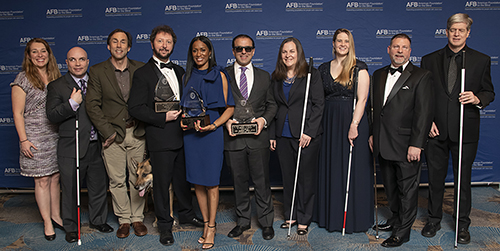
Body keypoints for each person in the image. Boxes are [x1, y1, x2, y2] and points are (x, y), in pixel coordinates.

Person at [420, 13, 495, 244]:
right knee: (435, 179)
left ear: (468, 33)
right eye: (453, 30)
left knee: (463, 179)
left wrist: (476, 97)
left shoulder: (481, 60)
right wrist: (428, 121)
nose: (456, 34)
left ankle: (462, 225)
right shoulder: (429, 60)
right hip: (436, 130)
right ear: (446, 31)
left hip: (465, 130)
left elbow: (489, 92)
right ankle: (433, 219)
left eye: (461, 30)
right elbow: (424, 96)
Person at [128, 25, 204, 246]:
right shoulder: (142, 73)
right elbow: (135, 108)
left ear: (173, 45)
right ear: (152, 44)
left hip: (184, 136)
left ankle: (187, 214)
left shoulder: (180, 71)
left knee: (182, 180)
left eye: (168, 42)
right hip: (160, 137)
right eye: (160, 41)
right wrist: (163, 118)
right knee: (161, 185)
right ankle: (164, 225)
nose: (164, 46)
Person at [369, 34, 434, 248]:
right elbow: (374, 110)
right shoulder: (378, 74)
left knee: (407, 190)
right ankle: (396, 219)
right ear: (388, 49)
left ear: (410, 51)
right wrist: (372, 134)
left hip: (407, 145)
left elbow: (424, 113)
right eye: (396, 47)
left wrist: (417, 143)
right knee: (390, 187)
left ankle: (403, 232)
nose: (399, 51)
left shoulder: (422, 76)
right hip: (382, 142)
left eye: (404, 47)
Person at [46, 47, 113, 243]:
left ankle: (98, 220)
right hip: (71, 146)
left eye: (81, 59)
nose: (78, 64)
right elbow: (51, 115)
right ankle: (71, 227)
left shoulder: (96, 82)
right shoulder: (56, 86)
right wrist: (71, 104)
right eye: (73, 60)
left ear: (88, 61)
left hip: (96, 144)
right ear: (66, 62)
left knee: (98, 186)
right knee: (70, 189)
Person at [86, 29, 147, 238]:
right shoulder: (97, 71)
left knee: (137, 178)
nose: (119, 45)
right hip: (112, 136)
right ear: (108, 46)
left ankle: (137, 218)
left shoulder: (140, 68)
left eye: (123, 42)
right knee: (117, 180)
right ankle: (124, 220)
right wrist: (107, 132)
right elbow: (92, 105)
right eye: (114, 42)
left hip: (137, 132)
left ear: (129, 47)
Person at [313, 29, 373, 233]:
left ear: (351, 44)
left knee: (352, 168)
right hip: (328, 122)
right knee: (331, 165)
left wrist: (354, 124)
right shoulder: (322, 68)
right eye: (339, 40)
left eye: (346, 41)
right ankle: (330, 214)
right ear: (333, 43)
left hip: (351, 121)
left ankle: (354, 217)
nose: (342, 44)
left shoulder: (359, 68)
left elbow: (362, 98)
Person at [180, 35, 234, 250]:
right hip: (192, 135)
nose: (199, 54)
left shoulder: (220, 74)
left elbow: (230, 107)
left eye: (203, 50)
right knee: (197, 182)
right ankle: (205, 223)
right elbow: (185, 108)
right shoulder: (187, 75)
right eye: (195, 50)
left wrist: (215, 125)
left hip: (211, 133)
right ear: (191, 54)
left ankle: (212, 227)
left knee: (212, 181)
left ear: (210, 52)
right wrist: (184, 122)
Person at [269, 37, 324, 235]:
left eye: (292, 51)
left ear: (298, 53)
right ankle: (290, 215)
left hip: (305, 135)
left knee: (305, 179)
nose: (288, 55)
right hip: (282, 135)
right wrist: (272, 134)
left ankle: (304, 218)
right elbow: (273, 106)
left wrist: (309, 131)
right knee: (288, 177)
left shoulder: (311, 74)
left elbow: (319, 105)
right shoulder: (276, 77)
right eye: (284, 52)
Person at [224, 34, 277, 240]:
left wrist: (263, 120)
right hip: (233, 139)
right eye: (239, 49)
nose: (243, 52)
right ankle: (243, 222)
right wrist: (226, 121)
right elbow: (219, 104)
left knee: (262, 182)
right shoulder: (224, 75)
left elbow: (272, 105)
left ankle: (266, 222)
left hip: (258, 140)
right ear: (233, 51)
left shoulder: (265, 76)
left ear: (253, 51)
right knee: (239, 182)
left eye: (247, 48)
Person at [10, 38, 63, 241]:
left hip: (55, 135)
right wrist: (23, 140)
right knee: (41, 180)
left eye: (43, 51)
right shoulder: (22, 79)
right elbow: (17, 113)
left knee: (55, 178)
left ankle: (56, 216)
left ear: (49, 54)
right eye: (35, 52)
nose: (40, 55)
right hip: (34, 137)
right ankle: (47, 222)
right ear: (28, 55)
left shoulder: (55, 76)